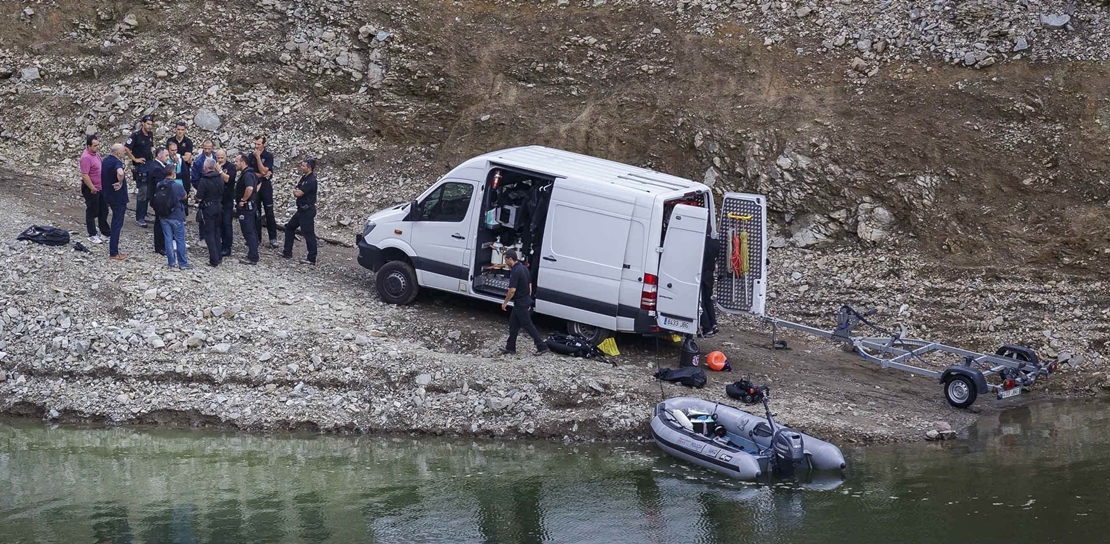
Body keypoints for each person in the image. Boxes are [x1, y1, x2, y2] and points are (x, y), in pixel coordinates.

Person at [499, 250, 549, 356]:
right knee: (513, 324)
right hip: (523, 300)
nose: (505, 262)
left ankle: (542, 346)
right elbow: (529, 284)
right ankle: (510, 347)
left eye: (506, 259)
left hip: (521, 302)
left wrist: (505, 302)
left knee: (528, 325)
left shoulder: (515, 271)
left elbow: (512, 290)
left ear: (510, 259)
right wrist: (527, 297)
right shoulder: (523, 268)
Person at [282, 157, 318, 265]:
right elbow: (297, 188)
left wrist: (296, 191)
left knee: (309, 234)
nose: (301, 167)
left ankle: (311, 258)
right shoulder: (304, 178)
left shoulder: (311, 180)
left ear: (310, 168)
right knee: (290, 227)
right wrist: (296, 190)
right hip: (301, 210)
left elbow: (298, 193)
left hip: (307, 211)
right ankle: (287, 252)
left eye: (303, 166)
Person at [156, 164, 191, 269]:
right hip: (176, 215)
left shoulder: (159, 184)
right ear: (172, 173)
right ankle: (182, 263)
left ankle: (171, 262)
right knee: (180, 239)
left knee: (168, 239)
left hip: (163, 215)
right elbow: (184, 196)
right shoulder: (177, 186)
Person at [246, 135, 277, 248]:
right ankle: (257, 238)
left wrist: (258, 158)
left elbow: (265, 170)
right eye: (255, 144)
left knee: (269, 212)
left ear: (264, 144)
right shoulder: (251, 156)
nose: (257, 146)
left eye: (259, 144)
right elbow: (249, 171)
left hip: (266, 187)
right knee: (256, 212)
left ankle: (273, 238)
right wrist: (262, 174)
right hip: (255, 185)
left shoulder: (268, 156)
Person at [124, 115, 155, 227]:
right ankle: (139, 217)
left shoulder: (150, 135)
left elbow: (150, 147)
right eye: (148, 124)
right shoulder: (136, 135)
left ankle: (144, 213)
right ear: (142, 123)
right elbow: (126, 148)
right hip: (141, 167)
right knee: (142, 191)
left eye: (151, 124)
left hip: (149, 165)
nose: (149, 126)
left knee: (149, 192)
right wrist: (135, 159)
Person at [194, 158, 224, 267]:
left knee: (209, 233)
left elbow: (200, 197)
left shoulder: (204, 180)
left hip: (208, 208)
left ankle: (213, 259)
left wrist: (196, 198)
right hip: (219, 206)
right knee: (217, 231)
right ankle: (219, 256)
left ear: (206, 168)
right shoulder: (220, 178)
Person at [79, 135, 109, 244]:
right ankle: (92, 234)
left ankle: (105, 232)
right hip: (91, 188)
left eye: (98, 145)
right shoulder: (86, 158)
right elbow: (85, 175)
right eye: (95, 145)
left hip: (100, 186)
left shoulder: (96, 154)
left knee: (103, 210)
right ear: (89, 146)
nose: (97, 147)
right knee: (92, 211)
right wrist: (92, 187)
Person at [101, 144, 129, 261]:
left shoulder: (106, 160)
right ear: (118, 153)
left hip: (108, 195)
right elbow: (120, 173)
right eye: (123, 151)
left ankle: (113, 250)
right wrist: (120, 182)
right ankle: (114, 252)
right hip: (118, 197)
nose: (125, 153)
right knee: (117, 224)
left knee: (115, 222)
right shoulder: (117, 163)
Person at [234, 153, 260, 265]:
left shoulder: (247, 175)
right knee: (251, 231)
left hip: (246, 208)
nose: (235, 163)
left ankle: (253, 257)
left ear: (243, 162)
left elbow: (249, 188)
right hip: (251, 205)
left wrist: (244, 200)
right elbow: (258, 184)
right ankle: (252, 254)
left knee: (248, 231)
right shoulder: (251, 173)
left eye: (237, 161)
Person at [148, 147, 170, 255]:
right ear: (159, 156)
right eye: (166, 156)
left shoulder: (157, 166)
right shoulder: (157, 168)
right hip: (158, 199)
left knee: (160, 221)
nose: (167, 158)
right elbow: (160, 185)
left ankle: (162, 244)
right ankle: (160, 246)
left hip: (157, 198)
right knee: (160, 222)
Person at [216, 149, 237, 258]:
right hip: (217, 199)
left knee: (227, 223)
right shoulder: (215, 165)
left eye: (222, 158)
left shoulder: (231, 167)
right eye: (218, 158)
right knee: (219, 223)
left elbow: (228, 179)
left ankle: (227, 247)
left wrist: (220, 172)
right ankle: (220, 243)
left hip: (227, 199)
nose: (220, 160)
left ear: (226, 157)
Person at [700, 230, 720, 338]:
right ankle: (714, 324)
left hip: (702, 274)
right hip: (709, 275)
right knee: (708, 300)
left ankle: (706, 327)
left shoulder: (701, 243)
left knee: (700, 302)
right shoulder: (716, 244)